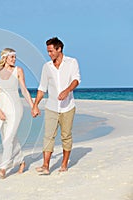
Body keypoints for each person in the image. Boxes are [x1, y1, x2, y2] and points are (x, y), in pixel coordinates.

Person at [32, 37, 81, 175]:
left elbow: (76, 80)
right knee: (48, 136)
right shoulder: (46, 67)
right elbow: (42, 88)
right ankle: (46, 165)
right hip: (52, 107)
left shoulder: (72, 62)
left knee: (66, 136)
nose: (49, 54)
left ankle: (64, 163)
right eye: (47, 51)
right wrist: (35, 105)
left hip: (68, 107)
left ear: (59, 49)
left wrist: (67, 91)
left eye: (51, 51)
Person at [0, 48, 34, 179]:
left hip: (16, 109)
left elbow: (24, 91)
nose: (14, 59)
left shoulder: (18, 70)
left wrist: (33, 106)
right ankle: (21, 160)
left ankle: (3, 168)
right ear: (5, 58)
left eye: (15, 57)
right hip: (2, 109)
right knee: (8, 138)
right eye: (12, 57)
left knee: (8, 139)